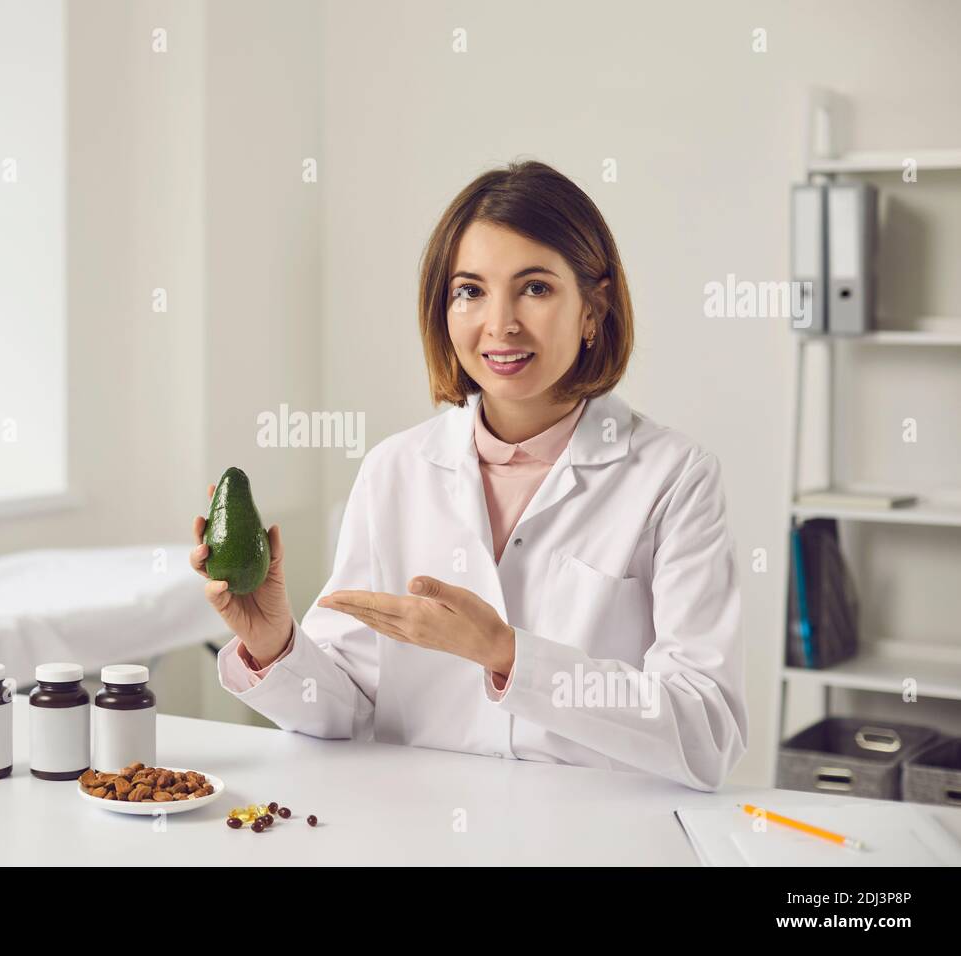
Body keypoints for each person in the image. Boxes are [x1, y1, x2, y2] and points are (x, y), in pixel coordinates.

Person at [190, 160, 746, 791]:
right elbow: (343, 710)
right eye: (470, 291)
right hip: (423, 833)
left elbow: (707, 731)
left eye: (535, 288)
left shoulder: (674, 477)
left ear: (596, 307)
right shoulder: (394, 470)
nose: (500, 324)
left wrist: (510, 655)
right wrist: (274, 644)